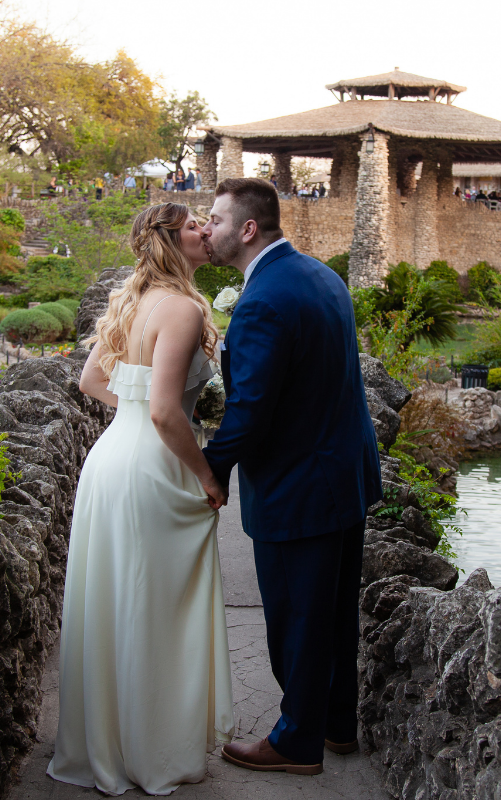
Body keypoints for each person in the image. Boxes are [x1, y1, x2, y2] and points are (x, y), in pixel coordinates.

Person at [47, 202, 234, 795]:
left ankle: (113, 744)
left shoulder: (130, 301)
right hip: (154, 464)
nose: (206, 231)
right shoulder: (179, 307)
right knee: (155, 606)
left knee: (120, 600)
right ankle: (150, 751)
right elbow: (163, 410)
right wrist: (207, 476)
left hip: (111, 459)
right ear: (169, 241)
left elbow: (91, 383)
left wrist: (131, 412)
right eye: (194, 227)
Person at [202, 178, 382, 776]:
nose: (208, 229)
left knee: (296, 619)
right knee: (332, 611)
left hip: (297, 486)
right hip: (344, 474)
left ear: (248, 229)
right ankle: (336, 723)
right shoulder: (321, 275)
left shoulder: (262, 300)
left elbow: (250, 409)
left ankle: (297, 741)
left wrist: (211, 467)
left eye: (217, 219)